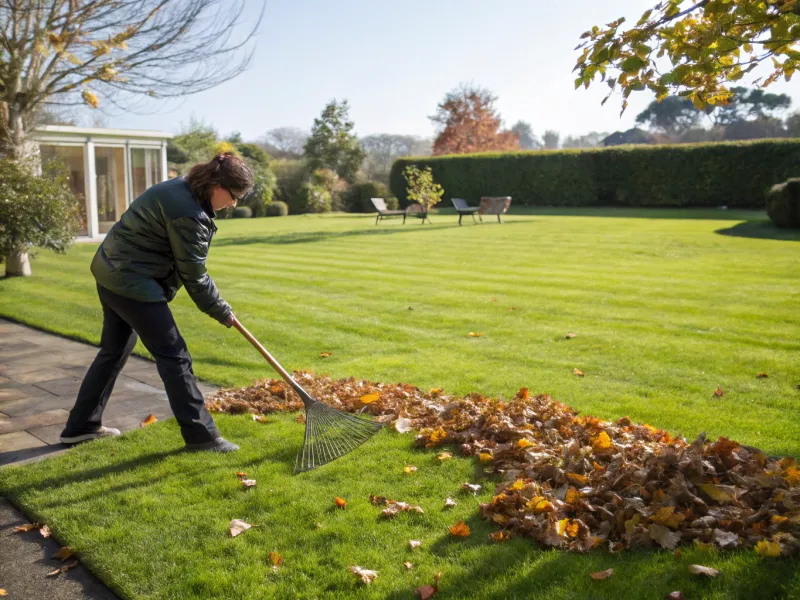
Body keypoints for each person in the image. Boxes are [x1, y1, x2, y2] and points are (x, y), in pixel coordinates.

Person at [59, 153, 252, 452]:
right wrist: (222, 311)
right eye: (233, 195)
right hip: (132, 281)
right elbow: (195, 277)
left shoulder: (184, 186)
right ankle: (202, 437)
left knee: (113, 351)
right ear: (216, 184)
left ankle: (81, 426)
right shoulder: (189, 213)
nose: (234, 203)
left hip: (109, 270)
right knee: (174, 356)